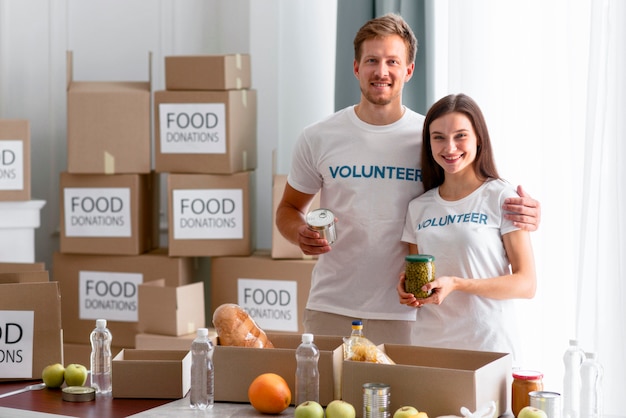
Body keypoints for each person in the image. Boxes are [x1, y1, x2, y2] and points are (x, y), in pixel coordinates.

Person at [276, 13, 541, 345]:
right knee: (326, 399)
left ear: (409, 70)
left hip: (407, 313)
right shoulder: (317, 137)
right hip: (331, 306)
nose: (381, 71)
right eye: (371, 60)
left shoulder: (432, 138)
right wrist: (298, 233)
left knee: (398, 400)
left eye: (392, 61)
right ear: (356, 67)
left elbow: (471, 193)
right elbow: (287, 209)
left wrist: (522, 212)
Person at [398, 93, 536, 362]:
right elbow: (417, 271)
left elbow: (526, 283)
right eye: (438, 137)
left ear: (478, 139)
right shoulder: (419, 207)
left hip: (488, 347)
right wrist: (407, 289)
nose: (450, 147)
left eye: (460, 136)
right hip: (430, 347)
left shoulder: (502, 197)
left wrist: (458, 284)